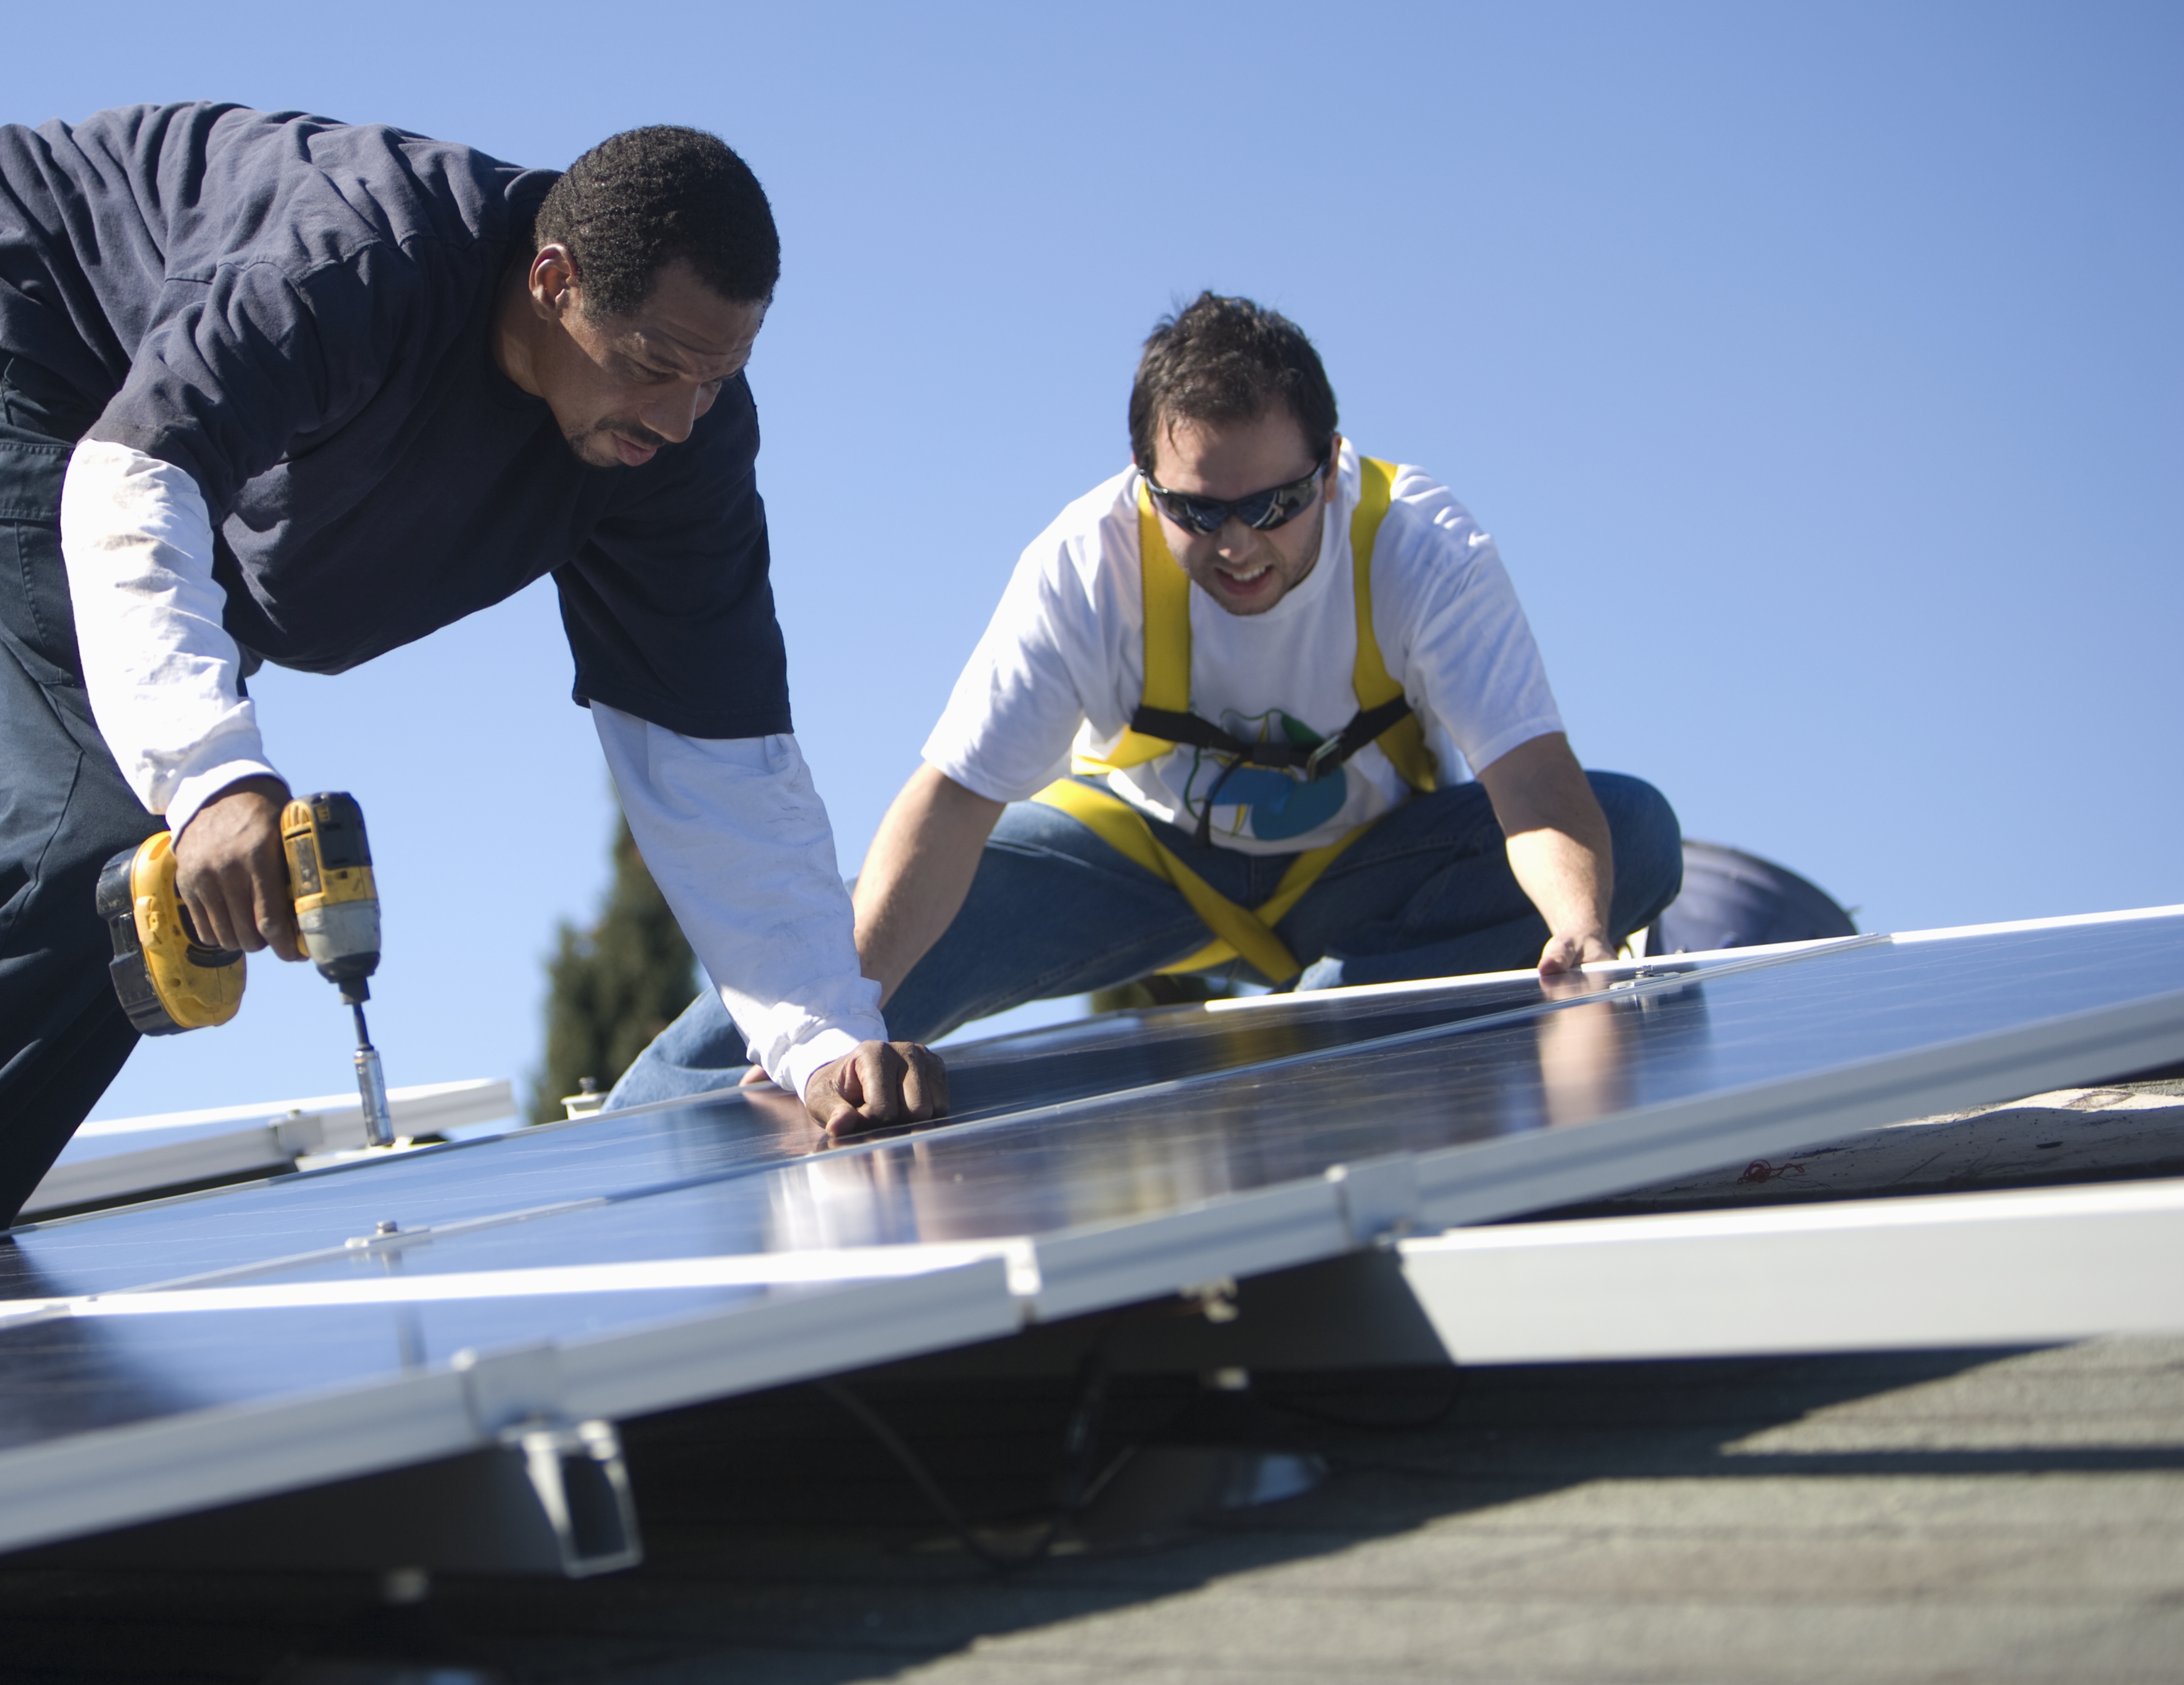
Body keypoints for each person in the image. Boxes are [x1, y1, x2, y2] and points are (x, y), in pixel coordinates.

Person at [0, 103, 935, 1309]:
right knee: (106, 842)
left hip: (213, 510)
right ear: (553, 279)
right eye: (653, 366)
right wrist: (208, 776)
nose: (681, 418)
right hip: (58, 351)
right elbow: (137, 476)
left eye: (719, 375)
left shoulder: (673, 445)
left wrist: (814, 1029)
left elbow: (714, 744)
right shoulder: (356, 261)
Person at [610, 290, 1681, 1108]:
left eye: (1277, 502)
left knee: (1628, 831)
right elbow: (948, 810)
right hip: (1140, 859)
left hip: (1364, 869)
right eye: (1197, 511)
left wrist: (1581, 929)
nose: (1239, 545)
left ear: (1333, 460)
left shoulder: (1424, 550)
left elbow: (1536, 784)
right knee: (824, 963)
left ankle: (1323, 1045)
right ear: (1141, 480)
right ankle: (639, 1122)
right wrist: (832, 1032)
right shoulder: (1085, 565)